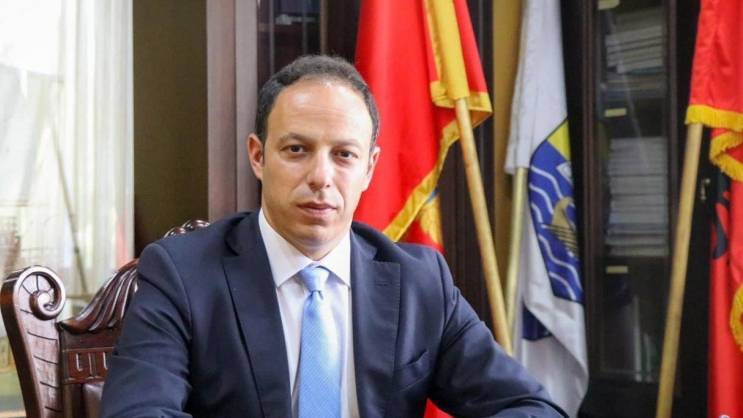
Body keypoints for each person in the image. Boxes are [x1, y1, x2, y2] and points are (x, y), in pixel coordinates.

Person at [100, 55, 566, 418]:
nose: (321, 177)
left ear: (370, 168)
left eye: (344, 155)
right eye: (297, 149)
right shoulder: (183, 273)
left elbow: (530, 407)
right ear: (258, 156)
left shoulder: (419, 282)